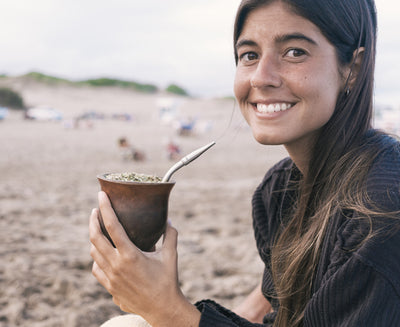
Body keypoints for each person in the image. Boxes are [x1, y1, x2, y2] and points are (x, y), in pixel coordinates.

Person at [89, 0, 400, 326]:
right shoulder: (279, 191)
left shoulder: (383, 207)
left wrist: (167, 309)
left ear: (354, 68)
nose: (261, 78)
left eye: (294, 52)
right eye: (249, 55)